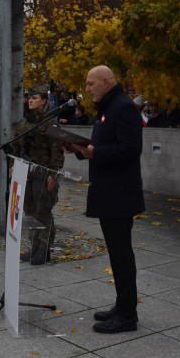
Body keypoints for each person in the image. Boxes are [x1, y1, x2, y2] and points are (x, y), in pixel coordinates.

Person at [65, 66, 144, 334]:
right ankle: (122, 306)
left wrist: (94, 153)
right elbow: (100, 147)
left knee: (122, 255)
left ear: (106, 81)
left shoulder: (123, 107)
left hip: (119, 194)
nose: (87, 89)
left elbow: (131, 149)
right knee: (117, 254)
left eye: (90, 84)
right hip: (109, 191)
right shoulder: (108, 107)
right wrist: (78, 149)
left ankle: (127, 316)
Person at [11, 84, 64, 265]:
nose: (30, 100)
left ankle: (44, 249)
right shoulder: (24, 122)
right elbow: (17, 147)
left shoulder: (50, 122)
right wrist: (13, 165)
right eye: (29, 98)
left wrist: (53, 175)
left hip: (43, 173)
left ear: (43, 101)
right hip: (25, 172)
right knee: (29, 211)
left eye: (35, 98)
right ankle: (34, 246)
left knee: (43, 211)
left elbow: (56, 151)